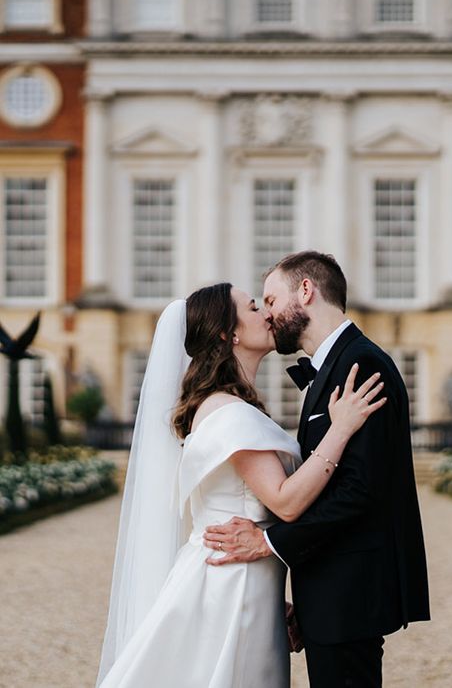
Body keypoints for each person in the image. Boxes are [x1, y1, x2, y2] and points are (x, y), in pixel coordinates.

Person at [97, 283, 386, 687]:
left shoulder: (229, 405)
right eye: (253, 307)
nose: (267, 313)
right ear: (227, 333)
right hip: (231, 585)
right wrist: (340, 430)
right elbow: (284, 503)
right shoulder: (229, 412)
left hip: (245, 580)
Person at [203, 251, 431, 687]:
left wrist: (267, 542)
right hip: (330, 595)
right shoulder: (334, 367)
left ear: (305, 291)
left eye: (270, 300)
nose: (267, 315)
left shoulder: (361, 365)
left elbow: (359, 490)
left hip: (350, 594)